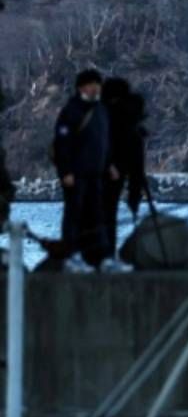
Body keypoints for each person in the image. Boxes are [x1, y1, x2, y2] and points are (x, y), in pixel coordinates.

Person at [52, 69, 112, 272]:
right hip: (76, 175)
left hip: (96, 173)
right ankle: (71, 256)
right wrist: (65, 171)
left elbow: (104, 142)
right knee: (74, 215)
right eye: (91, 83)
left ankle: (101, 257)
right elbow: (62, 145)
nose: (96, 87)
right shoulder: (71, 111)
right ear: (81, 87)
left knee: (97, 215)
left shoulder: (101, 110)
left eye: (98, 83)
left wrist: (109, 164)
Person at [101, 77, 148, 264]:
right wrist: (134, 196)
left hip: (106, 171)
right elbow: (137, 168)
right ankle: (109, 257)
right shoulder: (131, 119)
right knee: (109, 216)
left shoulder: (106, 115)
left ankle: (104, 257)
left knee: (102, 217)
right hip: (124, 166)